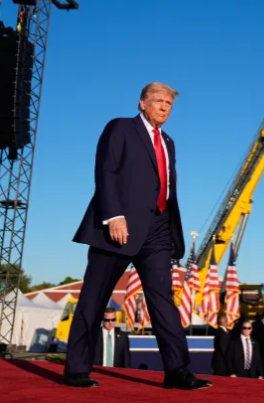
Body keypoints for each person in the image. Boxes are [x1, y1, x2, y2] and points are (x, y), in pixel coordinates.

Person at [63, 83, 210, 390]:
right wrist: (113, 216)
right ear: (143, 103)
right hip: (117, 227)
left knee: (163, 301)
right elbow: (107, 171)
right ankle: (77, 369)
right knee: (94, 298)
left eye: (169, 103)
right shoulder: (120, 128)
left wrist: (170, 229)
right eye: (159, 101)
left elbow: (165, 190)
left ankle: (177, 371)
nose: (165, 107)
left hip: (158, 231)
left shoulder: (168, 141)